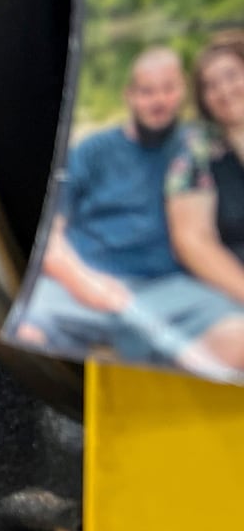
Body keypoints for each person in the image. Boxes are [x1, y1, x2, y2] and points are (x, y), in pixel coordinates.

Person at [15, 45, 244, 377]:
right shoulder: (93, 151)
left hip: (168, 290)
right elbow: (49, 233)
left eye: (168, 89)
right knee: (27, 331)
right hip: (85, 282)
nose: (158, 101)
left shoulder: (195, 146)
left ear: (181, 92)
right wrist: (81, 281)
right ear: (129, 95)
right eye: (147, 91)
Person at [168, 31, 244, 305]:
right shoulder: (194, 154)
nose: (224, 91)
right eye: (210, 85)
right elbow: (192, 242)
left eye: (232, 76)